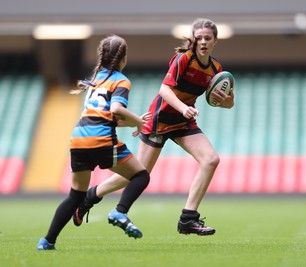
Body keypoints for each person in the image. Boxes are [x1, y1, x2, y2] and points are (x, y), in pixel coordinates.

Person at [73, 18, 234, 236]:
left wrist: (228, 99)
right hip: (160, 119)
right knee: (138, 174)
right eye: (199, 38)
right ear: (193, 40)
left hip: (183, 121)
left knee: (211, 160)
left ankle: (188, 218)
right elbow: (164, 90)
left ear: (215, 41)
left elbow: (225, 104)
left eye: (208, 38)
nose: (203, 42)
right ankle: (90, 197)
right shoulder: (183, 59)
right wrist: (183, 108)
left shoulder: (215, 68)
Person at [37, 35, 151, 250]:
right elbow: (116, 109)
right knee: (140, 175)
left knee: (75, 195)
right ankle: (120, 211)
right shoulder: (121, 80)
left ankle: (47, 241)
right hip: (101, 140)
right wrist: (139, 122)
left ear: (102, 56)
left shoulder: (95, 78)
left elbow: (102, 115)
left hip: (79, 139)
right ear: (123, 58)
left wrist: (132, 123)